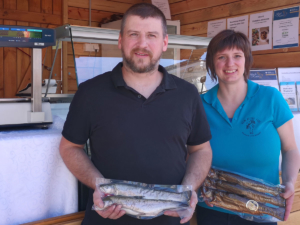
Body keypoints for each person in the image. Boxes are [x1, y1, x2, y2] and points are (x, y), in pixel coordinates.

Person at [59, 3, 212, 225]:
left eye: (151, 35)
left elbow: (201, 150)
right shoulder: (90, 92)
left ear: (164, 42)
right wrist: (101, 186)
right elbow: (69, 147)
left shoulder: (187, 94)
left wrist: (188, 190)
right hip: (107, 219)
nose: (142, 44)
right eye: (134, 34)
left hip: (169, 219)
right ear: (120, 40)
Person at [197, 29, 300, 225]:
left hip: (261, 208)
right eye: (222, 57)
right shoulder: (199, 106)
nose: (230, 64)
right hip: (212, 209)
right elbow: (190, 154)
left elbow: (291, 149)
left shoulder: (271, 98)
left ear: (246, 60)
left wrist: (288, 182)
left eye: (237, 56)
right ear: (211, 63)